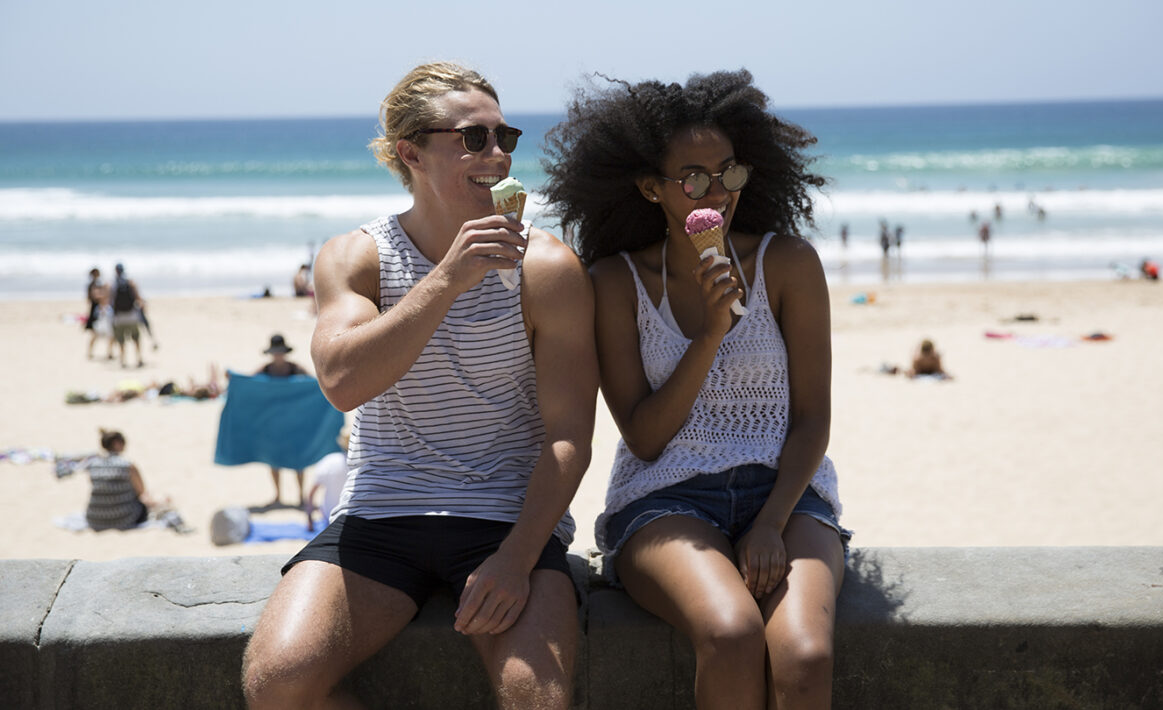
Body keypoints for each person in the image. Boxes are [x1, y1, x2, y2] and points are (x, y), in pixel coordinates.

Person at [242, 61, 597, 710]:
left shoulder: (546, 266)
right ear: (411, 152)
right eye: (473, 139)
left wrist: (518, 558)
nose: (497, 155)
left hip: (507, 516)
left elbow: (570, 433)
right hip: (381, 510)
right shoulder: (358, 257)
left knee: (534, 696)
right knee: (277, 681)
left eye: (504, 137)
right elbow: (343, 383)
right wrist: (446, 280)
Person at [544, 69, 849, 709]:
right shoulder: (615, 282)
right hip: (665, 499)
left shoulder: (787, 264)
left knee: (806, 653)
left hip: (788, 496)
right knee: (731, 631)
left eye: (729, 172)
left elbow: (812, 420)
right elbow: (647, 437)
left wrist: (770, 522)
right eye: (694, 179)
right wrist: (712, 332)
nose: (718, 192)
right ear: (650, 187)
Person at [84, 429, 185, 531]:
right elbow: (141, 493)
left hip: (94, 518)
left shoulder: (93, 465)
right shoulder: (127, 465)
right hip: (124, 518)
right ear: (117, 444)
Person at [256, 334, 309, 505]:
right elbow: (249, 385)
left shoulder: (296, 368)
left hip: (294, 422)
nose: (277, 355)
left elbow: (313, 386)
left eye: (280, 352)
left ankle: (301, 496)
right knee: (273, 460)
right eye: (275, 352)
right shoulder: (265, 369)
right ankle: (278, 496)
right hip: (273, 423)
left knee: (298, 461)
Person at [110, 263, 145, 368]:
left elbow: (109, 301)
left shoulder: (113, 284)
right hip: (132, 316)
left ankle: (123, 360)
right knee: (136, 338)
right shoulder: (131, 282)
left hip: (119, 317)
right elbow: (138, 299)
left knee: (121, 340)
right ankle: (139, 359)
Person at [83, 268, 110, 359]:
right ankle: (90, 352)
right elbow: (93, 297)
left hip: (99, 310)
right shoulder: (93, 285)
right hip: (95, 310)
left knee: (107, 333)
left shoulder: (96, 284)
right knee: (95, 334)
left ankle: (108, 352)